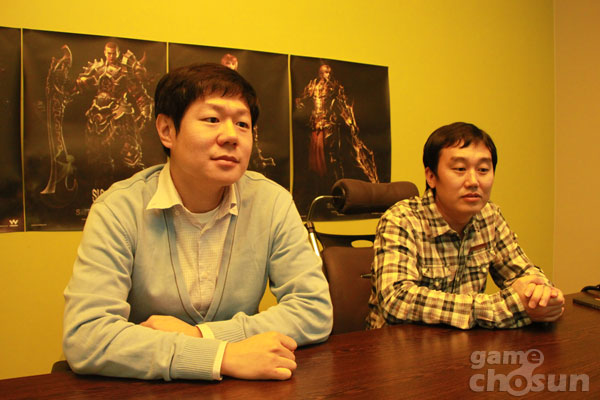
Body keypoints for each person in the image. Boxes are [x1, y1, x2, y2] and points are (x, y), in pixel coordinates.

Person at [62, 63, 333, 381]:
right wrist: (222, 356)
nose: (231, 136)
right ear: (167, 130)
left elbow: (314, 309)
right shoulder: (118, 209)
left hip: (245, 386)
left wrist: (202, 335)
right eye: (212, 119)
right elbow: (86, 337)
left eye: (243, 124)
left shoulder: (272, 202)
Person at [367, 122, 564, 330]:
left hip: (466, 344)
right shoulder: (401, 219)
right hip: (399, 345)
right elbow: (397, 300)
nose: (473, 181)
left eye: (483, 170)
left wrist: (543, 295)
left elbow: (522, 273)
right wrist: (497, 308)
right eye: (460, 169)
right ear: (431, 176)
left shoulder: (489, 216)